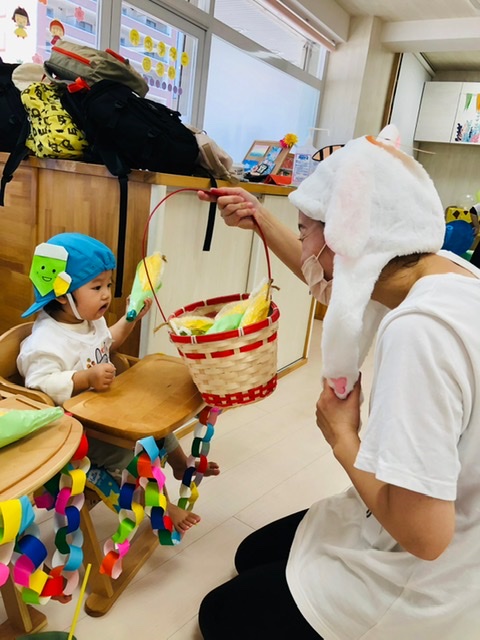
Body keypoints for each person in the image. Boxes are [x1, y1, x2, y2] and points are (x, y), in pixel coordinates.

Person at [196, 125, 480, 639]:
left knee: (219, 614)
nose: (302, 242)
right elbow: (335, 284)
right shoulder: (442, 270)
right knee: (251, 554)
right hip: (443, 504)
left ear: (343, 238)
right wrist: (260, 219)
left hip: (437, 570)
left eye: (304, 229)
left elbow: (426, 537)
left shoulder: (420, 333)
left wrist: (342, 436)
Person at [18, 232, 219, 535]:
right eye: (96, 287)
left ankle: (180, 465)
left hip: (109, 411)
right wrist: (84, 378)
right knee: (133, 454)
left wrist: (130, 318)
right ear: (62, 295)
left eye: (108, 285)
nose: (106, 294)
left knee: (157, 430)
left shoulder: (88, 320)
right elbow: (38, 385)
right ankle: (162, 506)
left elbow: (108, 342)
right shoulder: (45, 342)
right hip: (80, 429)